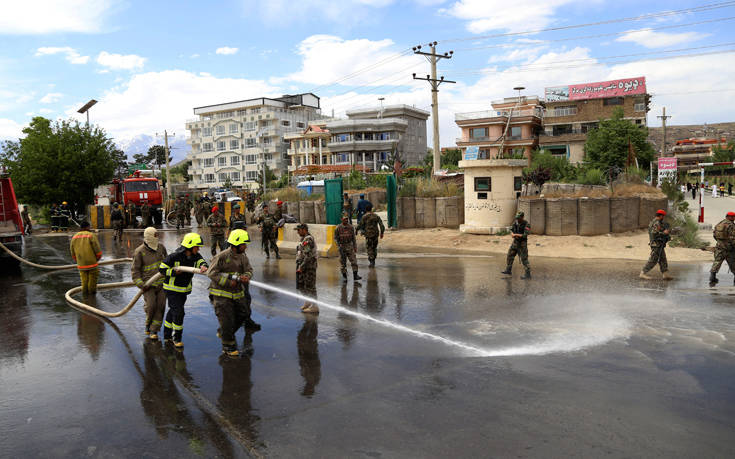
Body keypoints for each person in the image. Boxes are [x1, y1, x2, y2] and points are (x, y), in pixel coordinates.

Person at [208, 229, 261, 357]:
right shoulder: (222, 256)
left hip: (237, 293)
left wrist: (246, 276)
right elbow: (211, 273)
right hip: (221, 294)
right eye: (244, 244)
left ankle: (224, 332)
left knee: (244, 314)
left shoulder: (243, 257)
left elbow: (249, 270)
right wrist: (227, 282)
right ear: (236, 244)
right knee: (227, 320)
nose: (246, 246)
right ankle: (228, 346)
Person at [159, 233, 208, 348]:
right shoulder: (174, 256)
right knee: (179, 313)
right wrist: (173, 272)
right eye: (197, 246)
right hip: (171, 290)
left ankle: (166, 335)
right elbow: (161, 269)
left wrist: (203, 266)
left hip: (183, 290)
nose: (199, 248)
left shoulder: (195, 255)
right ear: (190, 246)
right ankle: (177, 338)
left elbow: (201, 261)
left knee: (173, 311)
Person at [132, 227, 168, 340]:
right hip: (148, 286)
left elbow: (168, 262)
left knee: (161, 306)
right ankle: (148, 324)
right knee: (151, 306)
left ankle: (154, 330)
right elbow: (135, 271)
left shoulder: (161, 248)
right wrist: (141, 284)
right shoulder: (139, 252)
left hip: (162, 284)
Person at [69, 220, 102, 294]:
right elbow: (97, 249)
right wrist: (97, 258)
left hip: (81, 263)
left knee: (84, 280)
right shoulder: (91, 235)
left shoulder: (74, 237)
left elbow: (72, 251)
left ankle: (85, 294)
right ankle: (92, 295)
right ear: (87, 227)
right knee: (92, 279)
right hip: (92, 262)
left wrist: (77, 260)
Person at [640, 209, 672, 280]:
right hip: (656, 244)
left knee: (663, 259)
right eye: (663, 216)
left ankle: (665, 274)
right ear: (661, 216)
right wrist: (664, 233)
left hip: (659, 244)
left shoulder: (654, 222)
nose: (663, 218)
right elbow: (655, 234)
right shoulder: (656, 223)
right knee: (653, 259)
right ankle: (643, 273)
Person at [296, 223, 319, 314]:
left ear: (304, 229)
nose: (297, 232)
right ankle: (308, 301)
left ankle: (315, 306)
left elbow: (308, 256)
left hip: (309, 266)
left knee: (310, 286)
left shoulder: (308, 239)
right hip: (304, 265)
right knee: (302, 285)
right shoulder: (303, 239)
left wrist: (301, 267)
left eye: (299, 230)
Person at [501, 211, 532, 279]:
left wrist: (516, 234)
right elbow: (511, 229)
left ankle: (528, 274)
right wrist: (512, 233)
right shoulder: (516, 223)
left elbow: (525, 235)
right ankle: (508, 270)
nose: (517, 219)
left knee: (524, 259)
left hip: (522, 244)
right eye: (517, 218)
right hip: (515, 242)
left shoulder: (526, 224)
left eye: (519, 218)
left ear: (522, 217)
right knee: (510, 255)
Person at [709, 211, 735, 286]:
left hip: (719, 246)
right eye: (733, 217)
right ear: (730, 217)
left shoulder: (719, 223)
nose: (733, 218)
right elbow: (733, 238)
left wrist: (720, 242)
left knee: (717, 261)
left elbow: (714, 235)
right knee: (733, 263)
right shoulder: (731, 225)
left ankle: (713, 276)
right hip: (729, 248)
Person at [334, 212, 361, 281]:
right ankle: (344, 277)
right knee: (343, 263)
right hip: (342, 246)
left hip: (349, 246)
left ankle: (355, 275)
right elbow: (335, 238)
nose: (346, 220)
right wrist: (338, 245)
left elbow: (353, 238)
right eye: (344, 219)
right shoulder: (338, 228)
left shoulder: (351, 227)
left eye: (347, 219)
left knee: (354, 261)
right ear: (341, 219)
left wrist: (355, 247)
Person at [358, 203, 385, 267]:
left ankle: (371, 261)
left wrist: (356, 230)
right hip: (375, 234)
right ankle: (373, 259)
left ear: (366, 209)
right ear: (371, 209)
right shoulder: (376, 216)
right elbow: (381, 225)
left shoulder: (364, 216)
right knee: (374, 247)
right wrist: (382, 233)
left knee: (369, 247)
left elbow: (360, 225)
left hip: (368, 234)